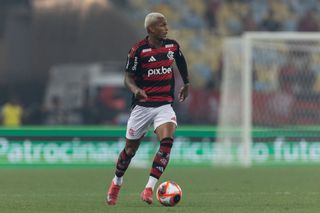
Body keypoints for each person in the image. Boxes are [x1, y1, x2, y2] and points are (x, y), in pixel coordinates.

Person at [106, 12, 190, 205]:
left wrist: (186, 83)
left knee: (167, 142)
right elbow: (127, 78)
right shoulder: (138, 51)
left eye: (166, 24)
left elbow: (181, 62)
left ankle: (148, 188)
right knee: (130, 150)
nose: (166, 28)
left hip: (164, 106)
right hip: (142, 107)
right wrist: (135, 89)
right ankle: (116, 182)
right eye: (162, 25)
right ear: (151, 29)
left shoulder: (172, 46)